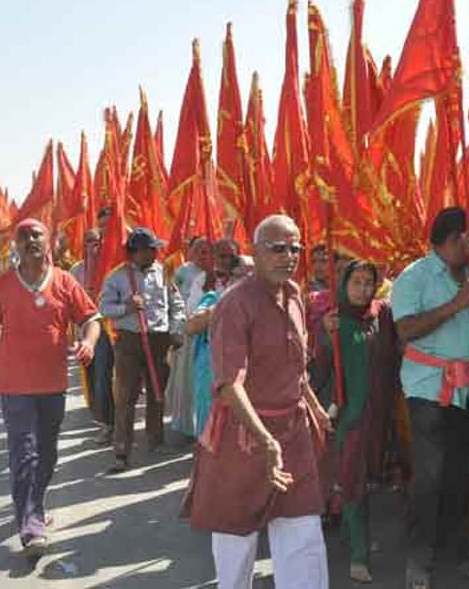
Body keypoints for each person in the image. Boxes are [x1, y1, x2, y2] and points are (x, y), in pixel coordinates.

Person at [183, 214, 331, 589]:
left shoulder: (296, 296)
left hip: (292, 431)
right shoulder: (234, 305)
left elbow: (297, 367)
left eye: (295, 248)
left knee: (302, 531)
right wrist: (265, 440)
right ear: (256, 251)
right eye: (277, 248)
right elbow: (229, 384)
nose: (289, 256)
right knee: (236, 542)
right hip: (243, 436)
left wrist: (312, 404)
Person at [391, 206, 469, 588]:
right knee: (429, 477)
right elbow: (405, 329)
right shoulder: (414, 277)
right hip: (428, 390)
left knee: (462, 475)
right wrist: (455, 305)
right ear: (452, 239)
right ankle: (419, 560)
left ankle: (455, 548)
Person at [0, 219, 100, 556]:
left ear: (48, 240)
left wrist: (88, 342)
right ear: (15, 245)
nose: (30, 240)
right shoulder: (0, 285)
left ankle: (33, 502)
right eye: (23, 236)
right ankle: (31, 526)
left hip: (52, 384)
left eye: (37, 234)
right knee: (24, 453)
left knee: (47, 454)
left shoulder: (65, 282)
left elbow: (90, 319)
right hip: (14, 385)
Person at [318, 260, 400, 583]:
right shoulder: (334, 322)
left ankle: (354, 535)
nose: (364, 289)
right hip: (350, 416)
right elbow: (320, 366)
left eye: (370, 282)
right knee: (352, 481)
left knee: (366, 480)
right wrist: (326, 336)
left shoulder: (382, 314)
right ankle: (358, 555)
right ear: (344, 284)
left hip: (380, 416)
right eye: (357, 282)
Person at [99, 227, 186, 472]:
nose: (152, 254)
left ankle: (156, 440)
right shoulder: (116, 277)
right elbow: (103, 308)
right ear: (133, 252)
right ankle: (122, 451)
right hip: (129, 342)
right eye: (147, 250)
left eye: (154, 249)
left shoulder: (165, 273)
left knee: (157, 393)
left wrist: (177, 331)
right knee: (126, 397)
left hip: (159, 340)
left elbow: (176, 304)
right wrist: (125, 307)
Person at [185, 252, 251, 437]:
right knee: (210, 430)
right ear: (231, 278)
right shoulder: (215, 298)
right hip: (213, 372)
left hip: (248, 377)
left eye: (252, 276)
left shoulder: (265, 304)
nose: (247, 281)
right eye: (241, 275)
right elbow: (191, 326)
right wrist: (222, 306)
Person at [70, 227, 116, 445]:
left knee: (108, 378)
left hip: (112, 331)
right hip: (87, 332)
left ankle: (113, 425)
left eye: (97, 240)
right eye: (88, 241)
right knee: (95, 379)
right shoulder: (76, 271)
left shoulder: (112, 267)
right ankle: (104, 422)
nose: (93, 245)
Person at [174, 236, 212, 302]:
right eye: (196, 251)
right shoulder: (185, 268)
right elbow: (172, 287)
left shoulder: (213, 273)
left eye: (204, 252)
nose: (201, 256)